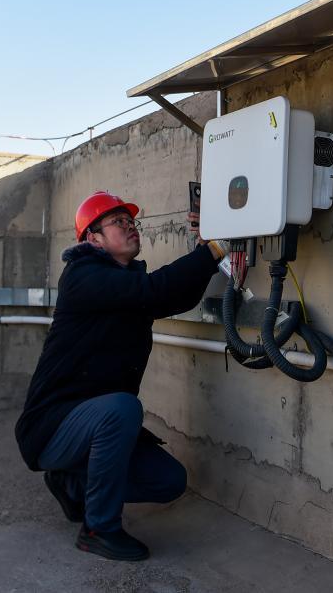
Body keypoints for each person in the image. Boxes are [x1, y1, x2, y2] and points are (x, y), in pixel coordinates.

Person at [15, 190, 222, 561]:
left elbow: (173, 297)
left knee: (169, 481)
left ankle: (72, 482)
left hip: (91, 424)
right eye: (118, 222)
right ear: (93, 238)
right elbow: (154, 290)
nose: (130, 227)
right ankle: (99, 529)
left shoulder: (124, 285)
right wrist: (212, 252)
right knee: (123, 409)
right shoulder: (83, 275)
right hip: (52, 426)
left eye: (131, 221)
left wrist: (206, 250)